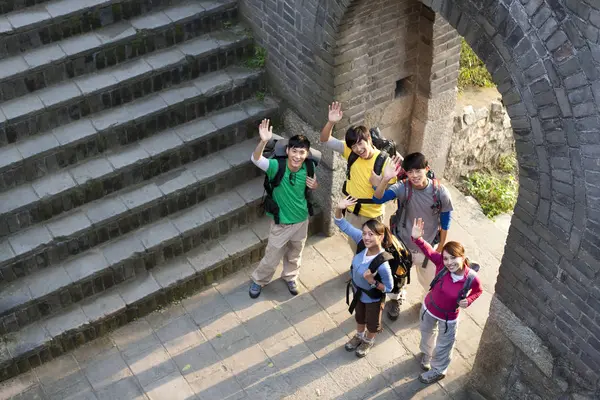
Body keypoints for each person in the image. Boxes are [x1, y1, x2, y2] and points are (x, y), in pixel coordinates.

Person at [372, 152, 453, 320]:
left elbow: (445, 221)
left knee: (431, 281)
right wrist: (385, 179)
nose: (414, 175)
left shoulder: (440, 193)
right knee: (396, 277)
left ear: (427, 169)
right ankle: (396, 299)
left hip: (427, 248)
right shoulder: (403, 187)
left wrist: (440, 247)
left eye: (418, 170)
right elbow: (378, 199)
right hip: (402, 246)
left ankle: (430, 303)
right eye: (410, 172)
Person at [248, 119, 318, 299]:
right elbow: (255, 159)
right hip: (281, 224)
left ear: (307, 154)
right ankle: (258, 280)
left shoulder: (309, 167)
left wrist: (315, 185)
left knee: (296, 252)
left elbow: (310, 186)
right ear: (287, 151)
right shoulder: (276, 167)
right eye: (294, 151)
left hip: (302, 220)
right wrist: (263, 141)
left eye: (302, 152)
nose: (297, 156)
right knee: (272, 256)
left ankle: (290, 276)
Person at [410, 217, 482, 384]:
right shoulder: (441, 265)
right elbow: (428, 250)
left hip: (448, 318)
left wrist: (469, 300)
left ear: (463, 257)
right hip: (429, 308)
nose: (449, 263)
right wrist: (417, 238)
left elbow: (478, 291)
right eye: (446, 258)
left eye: (453, 258)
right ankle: (427, 355)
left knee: (444, 345)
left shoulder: (471, 278)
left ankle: (438, 370)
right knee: (426, 333)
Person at [320, 102, 399, 252]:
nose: (358, 149)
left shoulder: (384, 162)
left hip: (372, 216)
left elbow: (387, 195)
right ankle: (358, 269)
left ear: (369, 138)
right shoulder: (351, 153)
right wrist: (331, 122)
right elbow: (325, 139)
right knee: (355, 246)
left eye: (360, 143)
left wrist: (380, 182)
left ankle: (369, 273)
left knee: (372, 249)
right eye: (354, 146)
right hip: (352, 212)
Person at [334, 195, 394, 357]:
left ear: (380, 237)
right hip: (358, 292)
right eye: (365, 233)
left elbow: (389, 287)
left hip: (373, 298)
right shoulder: (361, 240)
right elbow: (340, 223)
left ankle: (368, 340)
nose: (366, 237)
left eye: (371, 234)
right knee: (359, 317)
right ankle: (359, 336)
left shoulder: (383, 263)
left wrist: (372, 281)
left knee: (373, 323)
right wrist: (340, 208)